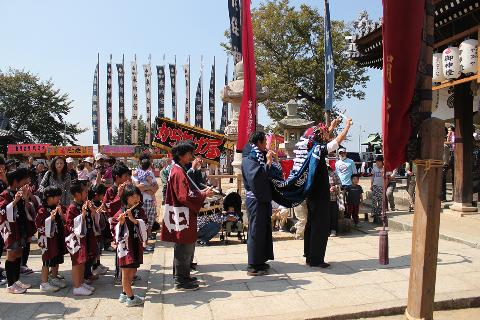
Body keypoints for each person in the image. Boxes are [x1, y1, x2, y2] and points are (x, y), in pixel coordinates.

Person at [160, 141, 213, 291]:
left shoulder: (178, 169)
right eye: (189, 153)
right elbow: (184, 196)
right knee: (184, 246)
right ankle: (180, 280)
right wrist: (203, 194)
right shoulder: (177, 172)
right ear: (181, 155)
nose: (191, 156)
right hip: (182, 214)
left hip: (181, 213)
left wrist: (200, 194)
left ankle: (183, 276)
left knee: (184, 246)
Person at [304, 117, 351, 268]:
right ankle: (316, 259)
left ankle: (310, 256)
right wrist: (346, 127)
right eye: (325, 134)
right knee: (320, 226)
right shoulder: (319, 149)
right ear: (321, 137)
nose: (327, 135)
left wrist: (331, 126)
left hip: (313, 195)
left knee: (312, 224)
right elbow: (336, 141)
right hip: (319, 196)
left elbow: (324, 137)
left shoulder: (312, 147)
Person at [241, 131, 283, 275]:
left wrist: (273, 161)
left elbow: (272, 174)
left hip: (263, 199)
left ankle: (260, 261)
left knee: (263, 230)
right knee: (255, 231)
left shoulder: (258, 157)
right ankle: (253, 265)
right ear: (258, 142)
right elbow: (256, 178)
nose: (266, 144)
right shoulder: (249, 158)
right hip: (255, 199)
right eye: (264, 142)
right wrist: (269, 163)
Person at [112, 185, 147, 307]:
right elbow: (113, 227)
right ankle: (131, 298)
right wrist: (120, 223)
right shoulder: (120, 212)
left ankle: (124, 293)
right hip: (126, 247)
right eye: (132, 196)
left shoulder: (139, 210)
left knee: (133, 270)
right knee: (126, 272)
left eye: (137, 195)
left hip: (136, 245)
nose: (136, 198)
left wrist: (135, 220)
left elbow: (145, 225)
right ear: (126, 198)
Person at [0, 168, 33, 293]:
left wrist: (24, 198)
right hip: (10, 229)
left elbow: (26, 209)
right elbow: (2, 211)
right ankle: (10, 284)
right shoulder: (5, 194)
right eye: (24, 179)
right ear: (15, 181)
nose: (26, 181)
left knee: (19, 252)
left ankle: (16, 279)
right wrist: (14, 202)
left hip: (20, 226)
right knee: (11, 254)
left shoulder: (17, 192)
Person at [65, 180, 98, 296]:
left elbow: (92, 219)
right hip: (76, 241)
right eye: (84, 191)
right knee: (76, 263)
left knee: (82, 262)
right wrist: (82, 215)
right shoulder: (72, 207)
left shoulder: (84, 205)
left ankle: (81, 282)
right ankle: (76, 286)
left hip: (85, 238)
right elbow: (70, 225)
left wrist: (93, 211)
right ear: (77, 194)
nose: (86, 193)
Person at [35, 186, 68, 293]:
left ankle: (54, 277)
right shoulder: (42, 210)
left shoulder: (57, 207)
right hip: (47, 240)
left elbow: (65, 219)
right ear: (49, 197)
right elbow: (39, 225)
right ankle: (44, 283)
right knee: (47, 260)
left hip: (57, 237)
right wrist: (51, 218)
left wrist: (60, 213)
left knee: (56, 257)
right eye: (57, 196)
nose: (59, 198)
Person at [131, 153, 158, 253]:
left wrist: (146, 188)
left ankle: (145, 244)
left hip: (151, 201)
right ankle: (141, 245)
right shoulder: (135, 173)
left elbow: (156, 188)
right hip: (142, 202)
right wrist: (149, 188)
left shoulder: (150, 173)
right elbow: (138, 187)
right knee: (142, 223)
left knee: (150, 223)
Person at [103, 162, 131, 259]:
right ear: (117, 177)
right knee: (120, 247)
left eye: (128, 175)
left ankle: (129, 272)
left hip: (129, 221)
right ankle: (120, 273)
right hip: (117, 224)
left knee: (129, 247)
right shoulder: (110, 190)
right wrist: (118, 195)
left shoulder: (128, 189)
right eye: (125, 176)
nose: (127, 178)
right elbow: (109, 208)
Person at [88, 184, 109, 277]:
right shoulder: (91, 204)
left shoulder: (98, 203)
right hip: (94, 230)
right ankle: (95, 266)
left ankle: (98, 264)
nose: (103, 197)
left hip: (99, 230)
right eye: (102, 195)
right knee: (96, 249)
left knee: (99, 249)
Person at [327, 162, 341, 237]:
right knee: (324, 215)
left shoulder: (333, 174)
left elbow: (340, 184)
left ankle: (333, 230)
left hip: (333, 198)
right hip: (322, 200)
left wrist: (335, 187)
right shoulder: (318, 174)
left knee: (333, 215)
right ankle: (325, 230)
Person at [442, 125, 455, 201]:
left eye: (451, 130)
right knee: (442, 178)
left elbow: (452, 143)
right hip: (447, 158)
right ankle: (443, 197)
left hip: (452, 157)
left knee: (453, 177)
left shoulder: (454, 136)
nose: (449, 132)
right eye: (449, 130)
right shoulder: (447, 137)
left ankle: (454, 196)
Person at [371, 156, 384, 224]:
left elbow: (387, 178)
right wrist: (371, 185)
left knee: (380, 200)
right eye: (376, 162)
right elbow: (372, 177)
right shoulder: (374, 168)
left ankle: (378, 212)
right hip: (375, 186)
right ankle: (373, 212)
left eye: (379, 162)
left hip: (381, 186)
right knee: (374, 199)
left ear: (382, 162)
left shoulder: (384, 169)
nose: (377, 163)